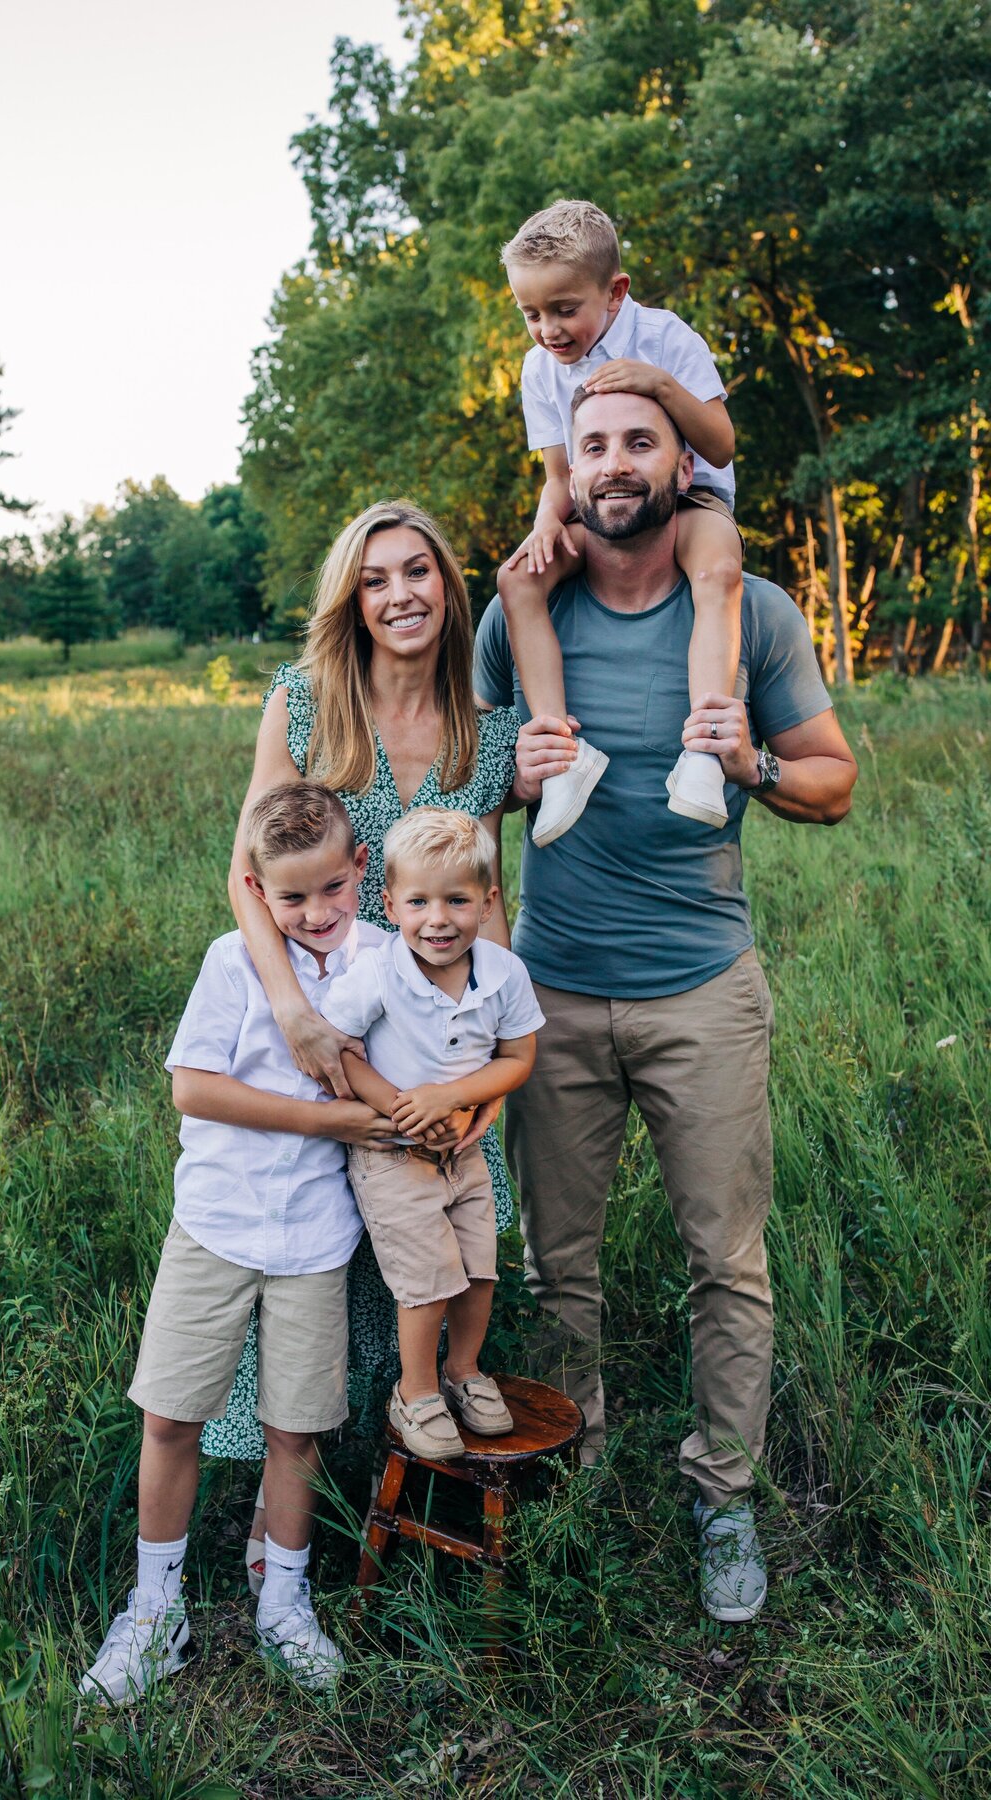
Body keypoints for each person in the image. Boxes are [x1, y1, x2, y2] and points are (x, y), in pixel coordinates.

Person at [477, 384, 858, 1623]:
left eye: (640, 441)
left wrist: (752, 762)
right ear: (568, 467)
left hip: (703, 991)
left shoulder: (752, 611)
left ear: (681, 463)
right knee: (556, 1263)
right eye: (592, 444)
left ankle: (725, 1495)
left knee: (726, 1261)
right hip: (551, 992)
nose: (615, 463)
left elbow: (835, 779)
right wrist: (510, 775)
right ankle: (571, 1465)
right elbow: (458, 787)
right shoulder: (520, 608)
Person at [214, 500, 521, 1590]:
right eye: (376, 579)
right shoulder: (305, 706)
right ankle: (280, 1506)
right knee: (317, 1253)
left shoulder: (486, 728)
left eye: (419, 572)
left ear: (448, 587)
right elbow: (248, 873)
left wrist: (484, 1079)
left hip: (443, 1046)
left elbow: (490, 902)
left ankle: (404, 1462)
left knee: (442, 1243)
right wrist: (292, 1012)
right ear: (351, 601)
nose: (400, 595)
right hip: (331, 1030)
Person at [80, 783, 395, 1702]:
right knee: (171, 1415)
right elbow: (194, 1088)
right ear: (257, 891)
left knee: (296, 1429)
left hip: (317, 1238)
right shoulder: (234, 962)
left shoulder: (386, 962)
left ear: (361, 869)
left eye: (332, 888)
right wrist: (330, 1118)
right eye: (292, 897)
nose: (317, 913)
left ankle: (284, 1604)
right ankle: (156, 1610)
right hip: (216, 1222)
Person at [500, 197, 744, 845]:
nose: (548, 330)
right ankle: (562, 758)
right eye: (531, 314)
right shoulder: (538, 369)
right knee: (518, 578)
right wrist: (545, 526)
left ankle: (702, 752)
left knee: (718, 569)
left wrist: (661, 385)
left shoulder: (664, 337)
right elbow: (560, 477)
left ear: (614, 292)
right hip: (600, 510)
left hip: (689, 501)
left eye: (564, 309)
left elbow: (720, 445)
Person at [321, 809, 545, 1460]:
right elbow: (340, 1053)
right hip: (393, 1155)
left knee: (478, 1267)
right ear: (390, 904)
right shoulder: (377, 973)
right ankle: (414, 1392)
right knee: (427, 1277)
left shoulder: (503, 973)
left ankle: (463, 1371)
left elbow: (518, 1057)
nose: (438, 920)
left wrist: (451, 1097)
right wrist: (402, 1109)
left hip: (465, 1150)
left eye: (457, 901)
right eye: (418, 902)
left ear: (488, 902)